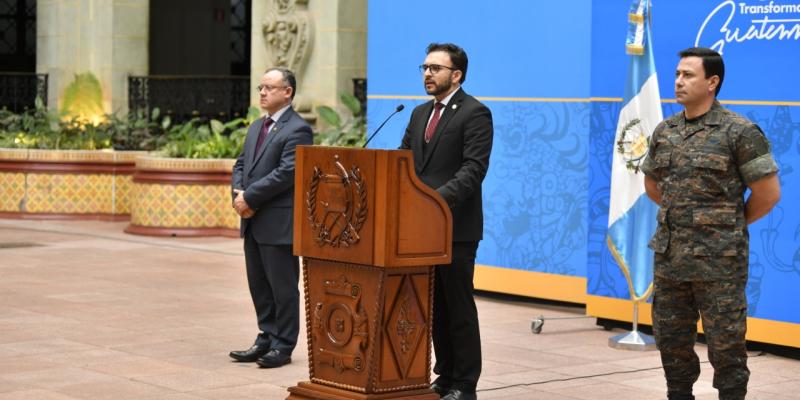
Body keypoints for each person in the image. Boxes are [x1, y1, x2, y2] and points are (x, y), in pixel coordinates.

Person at [641, 47, 781, 400]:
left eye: (687, 75)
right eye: (677, 74)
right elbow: (652, 184)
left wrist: (728, 225)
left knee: (726, 346)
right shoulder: (665, 130)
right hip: (671, 259)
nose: (678, 81)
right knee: (671, 341)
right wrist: (685, 217)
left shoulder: (740, 131)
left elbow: (767, 193)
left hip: (720, 263)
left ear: (712, 82)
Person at [400, 43, 493, 400]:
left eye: (435, 68)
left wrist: (435, 202)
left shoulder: (475, 113)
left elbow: (473, 170)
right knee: (434, 305)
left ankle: (465, 383)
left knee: (458, 305)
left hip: (455, 227)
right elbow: (403, 162)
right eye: (424, 67)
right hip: (421, 227)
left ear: (456, 75)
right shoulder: (418, 113)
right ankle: (445, 374)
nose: (427, 73)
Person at [229, 67, 313, 368]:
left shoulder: (298, 129)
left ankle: (283, 345)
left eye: (269, 88)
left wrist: (250, 197)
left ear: (287, 91)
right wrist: (239, 196)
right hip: (252, 220)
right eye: (260, 88)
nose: (262, 93)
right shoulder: (256, 126)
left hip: (278, 223)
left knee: (283, 287)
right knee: (259, 285)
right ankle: (266, 335)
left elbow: (288, 173)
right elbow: (241, 165)